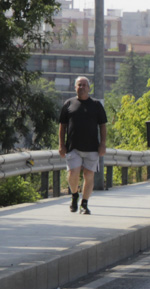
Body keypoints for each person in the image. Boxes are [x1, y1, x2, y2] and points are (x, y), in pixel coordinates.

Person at [58, 76, 107, 215]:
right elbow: (62, 126)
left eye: (84, 85)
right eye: (79, 85)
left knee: (88, 174)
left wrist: (103, 144)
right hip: (73, 147)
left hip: (92, 147)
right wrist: (61, 145)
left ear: (89, 88)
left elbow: (103, 125)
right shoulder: (68, 104)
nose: (82, 87)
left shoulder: (96, 105)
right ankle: (74, 195)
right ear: (75, 87)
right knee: (73, 173)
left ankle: (84, 204)